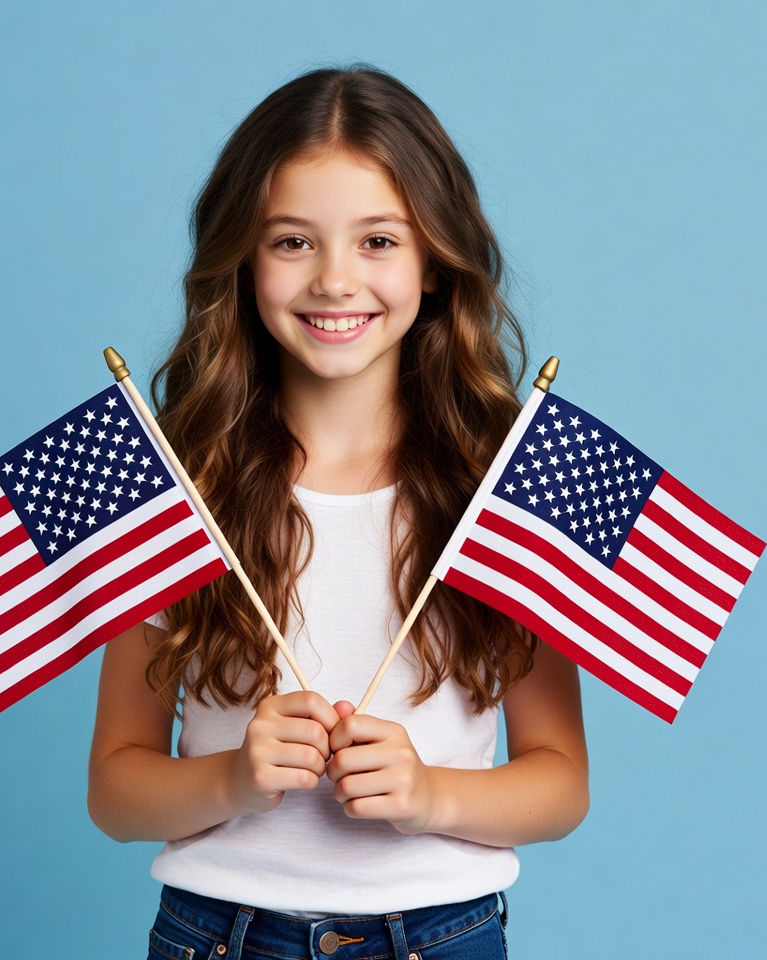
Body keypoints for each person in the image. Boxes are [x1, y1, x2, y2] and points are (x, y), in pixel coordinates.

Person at [88, 66, 588, 960]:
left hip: (445, 934)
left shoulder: (504, 484)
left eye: (378, 241)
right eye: (292, 242)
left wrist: (431, 794)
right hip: (218, 934)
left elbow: (560, 783)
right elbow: (116, 791)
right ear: (242, 263)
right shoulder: (175, 480)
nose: (334, 280)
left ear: (435, 263)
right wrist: (235, 778)